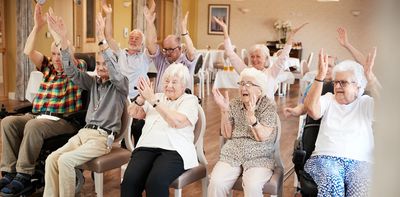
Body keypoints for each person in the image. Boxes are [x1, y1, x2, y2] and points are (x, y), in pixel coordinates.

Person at [0, 4, 84, 196]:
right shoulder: (47, 67)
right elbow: (28, 50)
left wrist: (58, 33)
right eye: (53, 54)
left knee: (33, 127)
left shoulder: (77, 68)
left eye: (59, 54)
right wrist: (37, 26)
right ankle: (9, 172)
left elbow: (66, 53)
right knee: (8, 122)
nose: (56, 58)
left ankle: (24, 175)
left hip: (64, 120)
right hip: (38, 116)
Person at [43, 12, 128, 197]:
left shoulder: (121, 85)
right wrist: (63, 39)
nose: (102, 67)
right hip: (84, 133)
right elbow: (71, 72)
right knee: (51, 159)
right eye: (98, 64)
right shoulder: (93, 83)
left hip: (102, 138)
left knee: (65, 161)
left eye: (105, 64)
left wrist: (101, 41)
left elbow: (114, 72)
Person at [303, 48, 379, 196]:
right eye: (336, 82)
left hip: (361, 162)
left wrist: (371, 78)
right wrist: (320, 77)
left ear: (358, 86)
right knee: (333, 182)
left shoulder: (365, 103)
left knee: (361, 188)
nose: (337, 86)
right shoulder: (328, 99)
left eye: (343, 83)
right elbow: (312, 110)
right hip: (324, 158)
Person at [120, 63, 199, 197]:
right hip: (146, 146)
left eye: (174, 82)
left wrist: (153, 100)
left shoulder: (190, 100)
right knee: (130, 181)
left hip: (175, 150)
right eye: (166, 81)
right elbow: (133, 113)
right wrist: (141, 98)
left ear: (183, 86)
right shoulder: (157, 96)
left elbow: (176, 122)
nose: (169, 85)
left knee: (155, 182)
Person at [208, 67, 278, 196]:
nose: (243, 88)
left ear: (260, 89)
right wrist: (224, 110)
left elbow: (262, 137)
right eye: (241, 84)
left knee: (252, 186)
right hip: (233, 153)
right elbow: (227, 134)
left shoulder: (268, 106)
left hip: (259, 156)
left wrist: (252, 119)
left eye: (248, 84)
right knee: (216, 183)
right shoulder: (235, 103)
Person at [213, 17, 308, 99]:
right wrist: (225, 29)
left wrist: (291, 36)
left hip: (267, 113)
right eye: (252, 56)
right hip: (249, 111)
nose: (254, 59)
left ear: (266, 58)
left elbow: (283, 57)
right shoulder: (245, 71)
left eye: (258, 56)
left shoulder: (271, 72)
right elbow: (230, 53)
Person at [102, 1, 150, 146]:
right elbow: (108, 37)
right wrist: (109, 15)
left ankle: (139, 150)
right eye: (131, 37)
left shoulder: (145, 56)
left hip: (138, 99)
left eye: (137, 38)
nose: (133, 39)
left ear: (142, 43)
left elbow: (152, 41)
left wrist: (149, 20)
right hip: (120, 98)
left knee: (138, 128)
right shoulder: (120, 53)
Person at [144, 0, 197, 93]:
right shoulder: (161, 59)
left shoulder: (185, 61)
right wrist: (149, 23)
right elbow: (150, 44)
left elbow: (191, 52)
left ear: (180, 48)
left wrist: (184, 31)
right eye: (165, 49)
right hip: (160, 100)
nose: (167, 53)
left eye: (171, 50)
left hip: (179, 103)